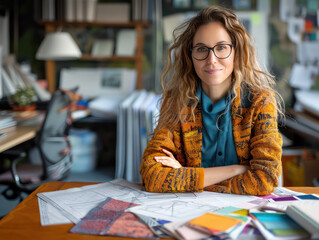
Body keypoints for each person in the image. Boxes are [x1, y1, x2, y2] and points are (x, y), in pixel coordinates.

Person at [140, 5, 284, 195]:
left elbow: (265, 179)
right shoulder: (177, 102)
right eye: (201, 49)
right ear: (190, 55)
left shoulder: (260, 102)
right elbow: (152, 176)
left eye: (221, 47)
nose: (211, 59)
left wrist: (186, 176)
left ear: (236, 51)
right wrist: (238, 169)